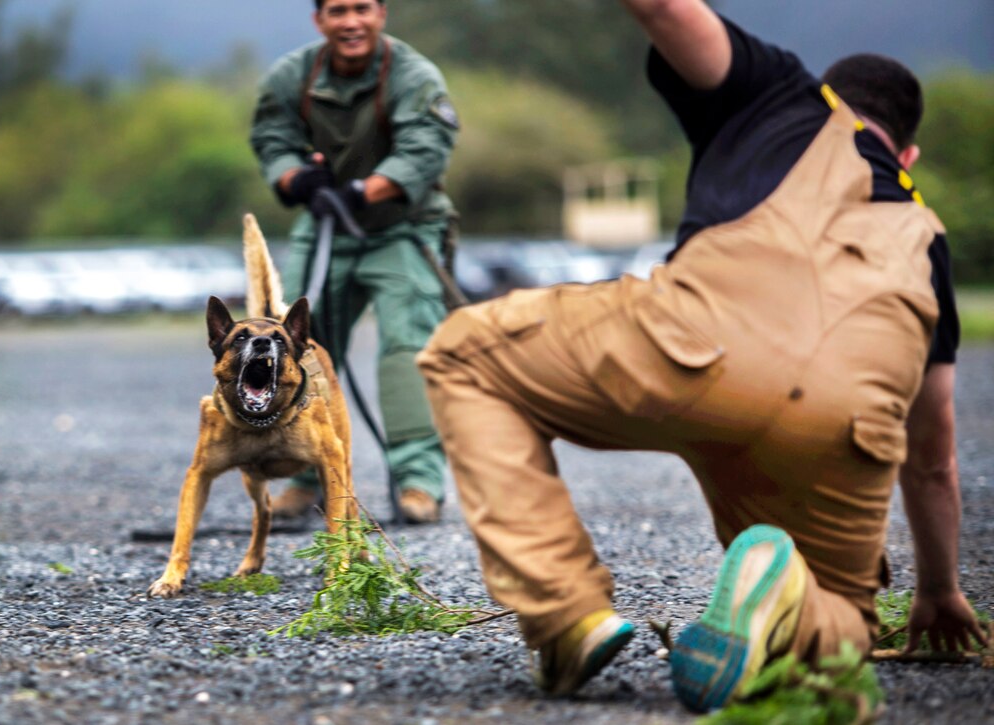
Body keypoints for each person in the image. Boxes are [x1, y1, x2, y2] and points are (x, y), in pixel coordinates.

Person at [416, 0, 987, 709]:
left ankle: (565, 614)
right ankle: (796, 598)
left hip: (699, 348)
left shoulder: (779, 92)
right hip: (843, 423)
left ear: (831, 98)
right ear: (908, 156)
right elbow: (932, 452)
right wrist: (937, 588)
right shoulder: (928, 242)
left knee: (464, 354)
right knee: (843, 622)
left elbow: (663, 8)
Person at [250, 0, 459, 525]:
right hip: (324, 226)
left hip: (401, 227)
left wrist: (365, 191)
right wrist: (297, 180)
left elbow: (425, 149)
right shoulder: (291, 75)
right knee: (295, 344)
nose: (351, 22)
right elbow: (271, 139)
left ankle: (418, 482)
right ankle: (304, 476)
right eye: (338, 10)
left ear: (382, 13)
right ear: (319, 20)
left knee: (407, 347)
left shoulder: (413, 75)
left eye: (362, 8)